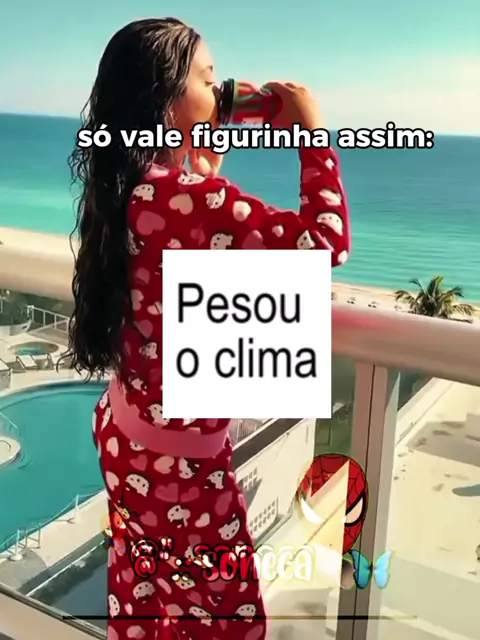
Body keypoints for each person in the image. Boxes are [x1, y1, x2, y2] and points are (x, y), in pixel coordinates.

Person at [68, 16, 351, 640]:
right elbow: (325, 243)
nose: (221, 90)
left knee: (146, 601)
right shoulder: (192, 199)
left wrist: (208, 145)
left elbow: (185, 220)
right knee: (228, 625)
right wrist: (312, 133)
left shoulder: (126, 185)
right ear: (167, 100)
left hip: (126, 436)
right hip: (183, 471)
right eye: (208, 77)